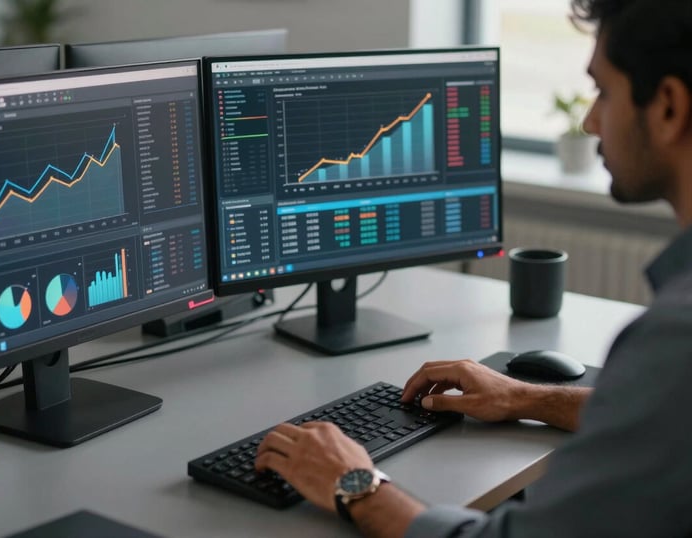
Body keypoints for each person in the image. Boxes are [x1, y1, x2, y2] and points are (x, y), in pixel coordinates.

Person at [254, 0, 692, 536]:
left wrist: (356, 485)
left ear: (669, 106)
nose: (589, 119)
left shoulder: (675, 340)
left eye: (603, 90)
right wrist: (525, 396)